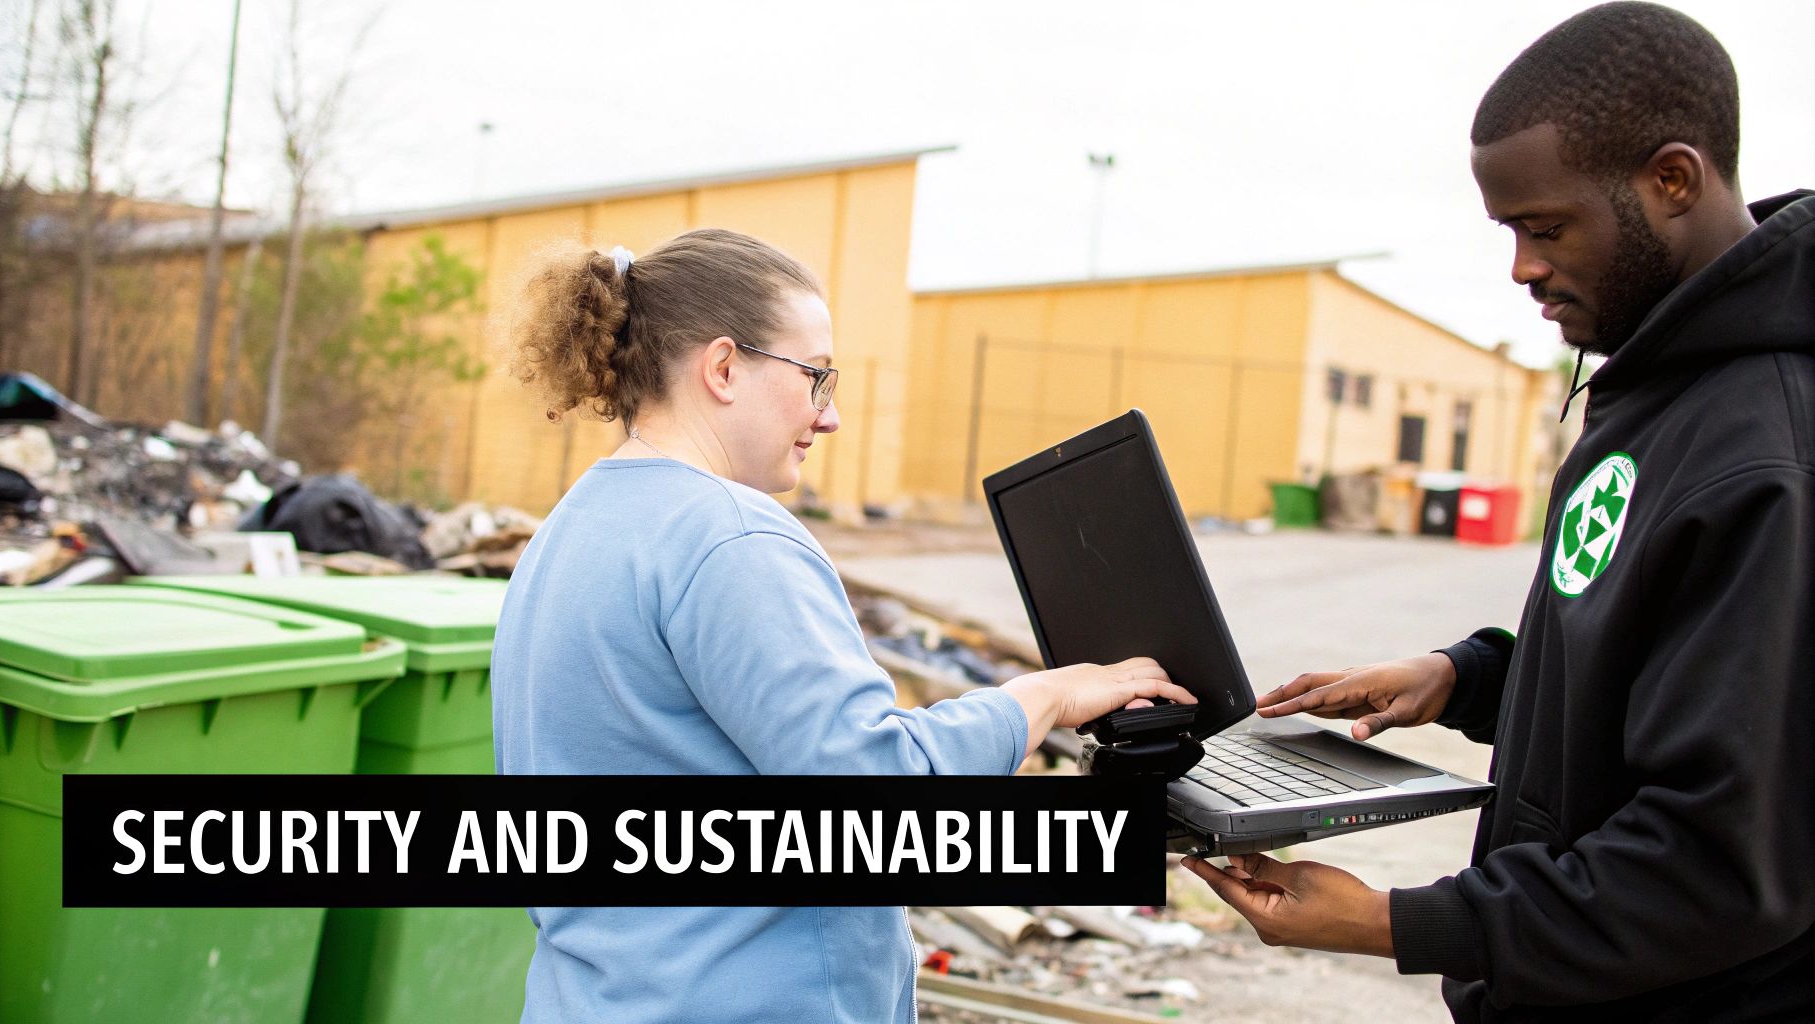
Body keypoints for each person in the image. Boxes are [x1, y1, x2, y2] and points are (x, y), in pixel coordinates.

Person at [1182, 4, 1815, 1020]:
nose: (1520, 266)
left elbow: (1717, 861)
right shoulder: (1652, 381)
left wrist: (1396, 922)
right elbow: (1654, 662)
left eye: (1545, 227)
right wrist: (1463, 677)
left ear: (1670, 181)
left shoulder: (1768, 457)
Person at [489, 227, 1191, 1023]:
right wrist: (1042, 700)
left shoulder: (573, 527)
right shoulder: (730, 539)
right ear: (723, 367)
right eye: (816, 379)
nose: (830, 419)